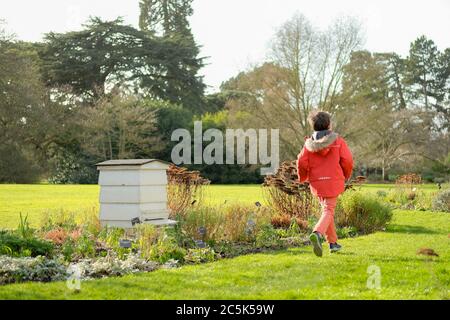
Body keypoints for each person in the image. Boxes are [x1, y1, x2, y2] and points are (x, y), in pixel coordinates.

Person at [297, 111, 353, 257]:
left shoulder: (308, 145)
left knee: (327, 211)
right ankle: (317, 233)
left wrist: (303, 177)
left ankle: (333, 243)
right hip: (333, 181)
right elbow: (347, 160)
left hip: (317, 183)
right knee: (328, 210)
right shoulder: (338, 141)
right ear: (329, 124)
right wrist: (345, 175)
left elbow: (301, 161)